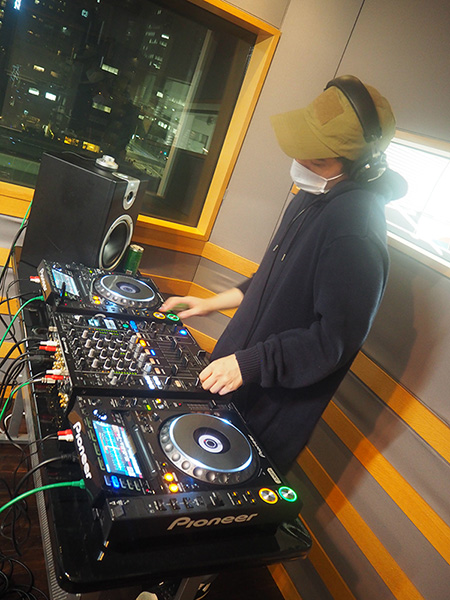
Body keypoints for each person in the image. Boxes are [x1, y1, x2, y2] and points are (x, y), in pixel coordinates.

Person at [160, 75, 407, 476]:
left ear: (361, 167)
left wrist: (249, 364)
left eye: (318, 160)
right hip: (233, 381)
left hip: (267, 413)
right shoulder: (313, 195)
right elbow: (275, 279)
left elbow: (331, 342)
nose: (303, 164)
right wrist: (210, 303)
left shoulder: (356, 232)